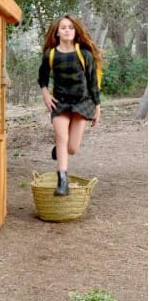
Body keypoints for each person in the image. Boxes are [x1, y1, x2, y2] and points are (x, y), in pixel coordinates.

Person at [38, 14, 103, 196]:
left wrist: (97, 107)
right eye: (63, 27)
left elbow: (92, 83)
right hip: (60, 103)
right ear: (57, 32)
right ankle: (62, 183)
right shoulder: (50, 55)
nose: (67, 30)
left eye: (71, 27)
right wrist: (45, 95)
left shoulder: (84, 55)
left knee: (72, 147)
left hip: (82, 103)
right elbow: (42, 78)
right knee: (61, 138)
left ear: (75, 32)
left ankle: (59, 151)